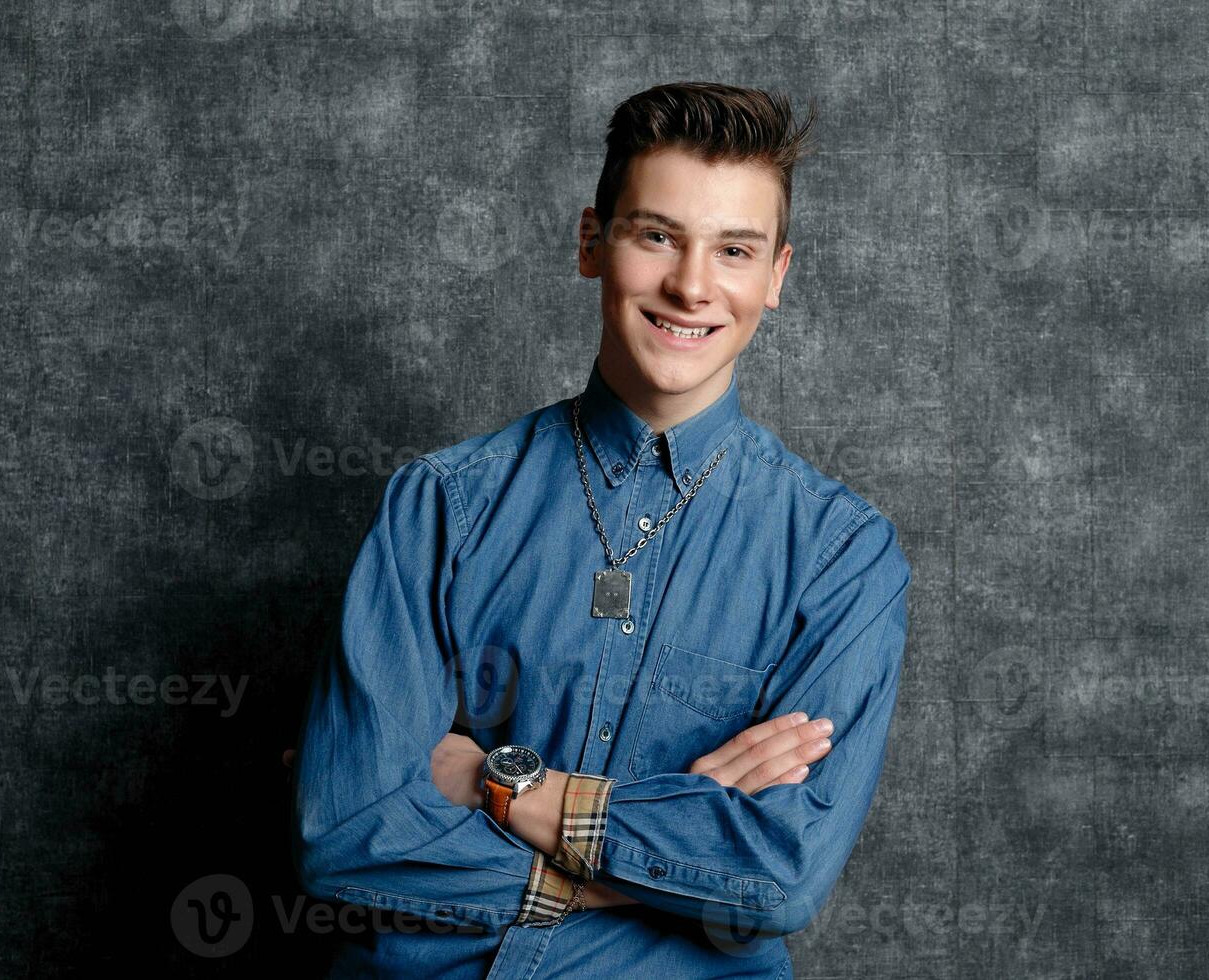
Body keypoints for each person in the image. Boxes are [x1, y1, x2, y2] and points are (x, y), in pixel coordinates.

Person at [290, 80, 911, 979]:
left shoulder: (842, 557)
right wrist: (663, 860)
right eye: (657, 235)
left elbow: (780, 876)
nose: (691, 285)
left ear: (775, 278)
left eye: (733, 249)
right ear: (593, 243)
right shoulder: (439, 506)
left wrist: (508, 786)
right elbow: (347, 834)